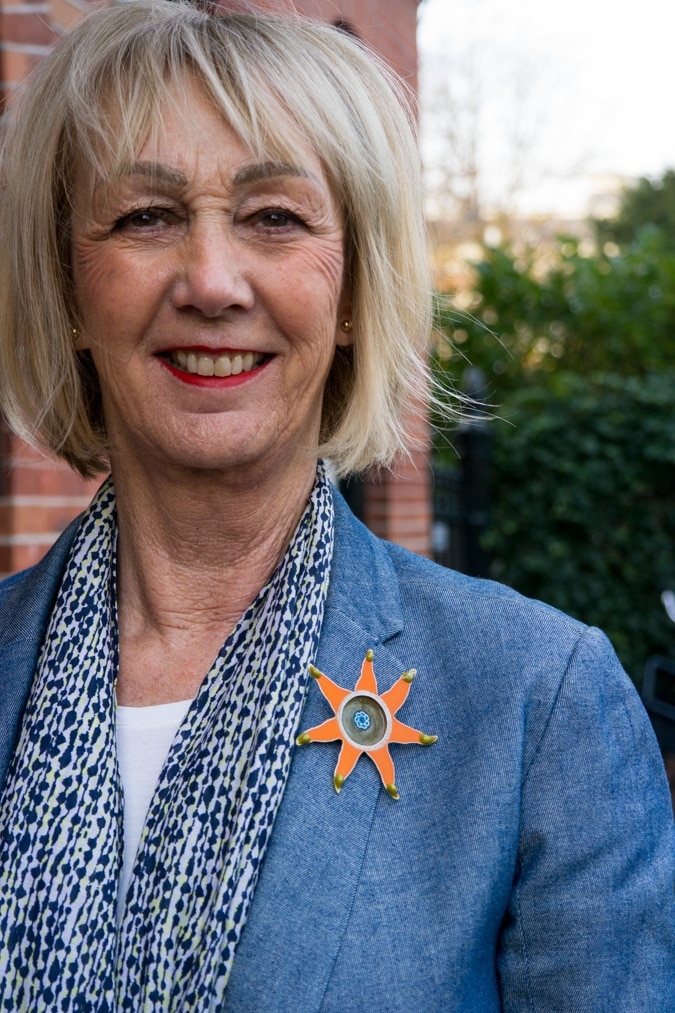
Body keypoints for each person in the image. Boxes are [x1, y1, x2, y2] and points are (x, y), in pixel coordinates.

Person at [0, 2, 672, 1010]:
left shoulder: (539, 704)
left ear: (354, 288)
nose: (212, 280)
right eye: (147, 217)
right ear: (67, 283)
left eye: (275, 217)